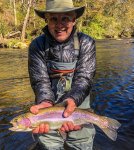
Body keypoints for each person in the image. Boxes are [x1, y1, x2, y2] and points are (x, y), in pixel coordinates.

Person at [28, 0, 96, 149]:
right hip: (48, 113)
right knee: (48, 145)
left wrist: (72, 100)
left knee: (81, 144)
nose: (59, 24)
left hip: (78, 107)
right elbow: (40, 81)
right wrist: (45, 101)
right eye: (53, 19)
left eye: (65, 18)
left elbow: (84, 78)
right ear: (46, 21)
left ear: (73, 19)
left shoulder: (86, 42)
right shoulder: (37, 46)